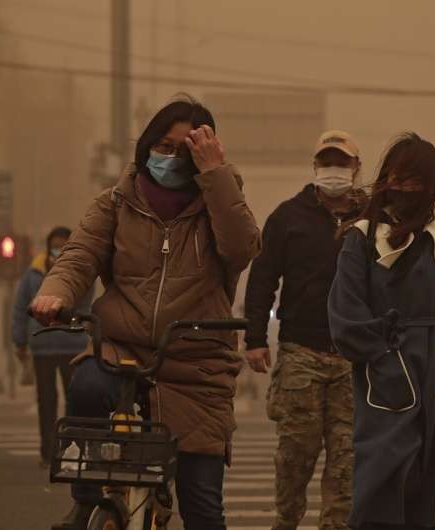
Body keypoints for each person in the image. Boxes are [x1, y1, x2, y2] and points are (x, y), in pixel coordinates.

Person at [29, 96, 261, 530]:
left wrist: (215, 173)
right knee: (85, 387)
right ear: (147, 145)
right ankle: (86, 502)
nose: (170, 157)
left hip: (198, 364)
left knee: (204, 508)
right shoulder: (115, 202)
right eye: (163, 145)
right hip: (123, 350)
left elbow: (243, 247)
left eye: (184, 149)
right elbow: (79, 255)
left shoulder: (220, 200)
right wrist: (54, 294)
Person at [327, 132, 435, 530]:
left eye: (415, 182)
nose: (405, 189)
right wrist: (382, 356)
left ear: (433, 185)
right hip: (386, 370)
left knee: (428, 482)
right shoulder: (362, 239)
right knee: (379, 482)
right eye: (397, 178)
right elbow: (346, 314)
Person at [244, 130, 365, 530]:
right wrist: (256, 339)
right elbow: (263, 277)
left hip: (354, 358)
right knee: (296, 456)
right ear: (315, 167)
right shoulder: (287, 216)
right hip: (301, 355)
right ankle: (286, 521)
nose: (334, 170)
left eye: (342, 162)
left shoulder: (372, 217)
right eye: (327, 162)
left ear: (356, 167)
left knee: (347, 462)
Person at [12, 226, 94, 468]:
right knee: (46, 401)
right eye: (55, 244)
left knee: (74, 399)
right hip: (43, 346)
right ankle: (48, 452)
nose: (58, 249)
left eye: (63, 244)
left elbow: (86, 301)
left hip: (72, 343)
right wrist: (19, 341)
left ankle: (72, 448)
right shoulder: (32, 274)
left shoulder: (79, 270)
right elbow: (19, 309)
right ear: (48, 246)